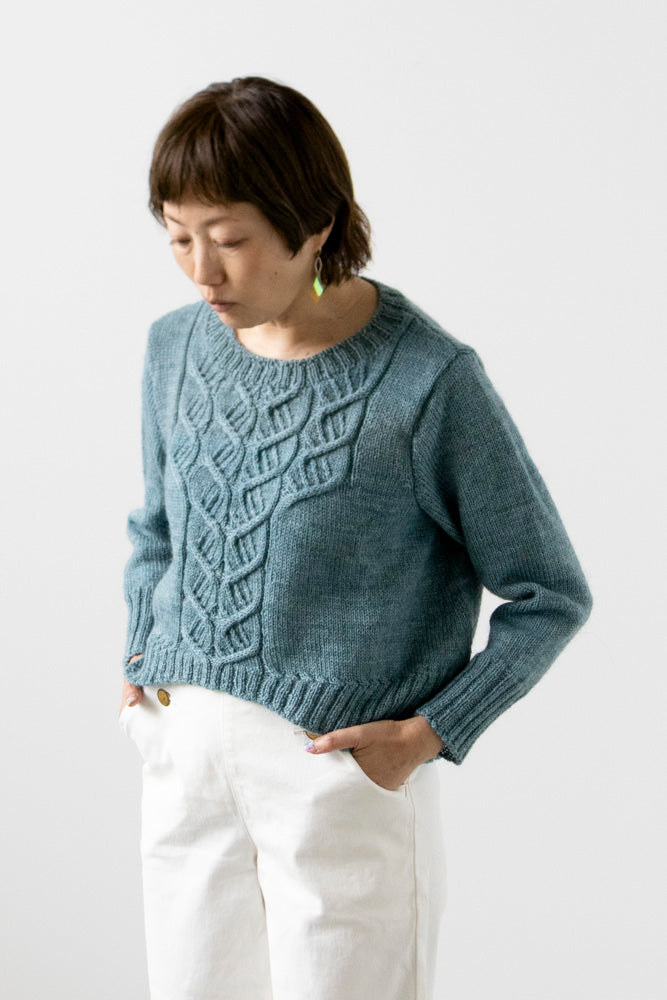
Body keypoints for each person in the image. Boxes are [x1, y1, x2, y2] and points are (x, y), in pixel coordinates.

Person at [118, 76, 593, 1000]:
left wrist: (430, 733)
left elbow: (549, 592)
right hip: (183, 754)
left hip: (333, 774)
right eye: (178, 237)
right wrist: (145, 652)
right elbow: (157, 525)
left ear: (314, 225)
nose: (202, 272)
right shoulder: (174, 348)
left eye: (229, 240)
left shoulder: (426, 383)